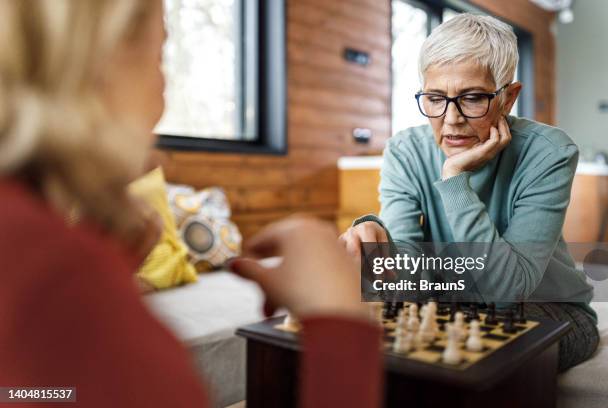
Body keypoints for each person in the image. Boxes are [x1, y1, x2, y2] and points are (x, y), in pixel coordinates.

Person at [0, 1, 382, 407]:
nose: (162, 99)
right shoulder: (62, 280)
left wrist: (115, 274)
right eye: (159, 58)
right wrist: (340, 323)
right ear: (101, 59)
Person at [339, 13, 599, 372]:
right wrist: (381, 254)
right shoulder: (405, 151)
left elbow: (505, 293)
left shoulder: (550, 152)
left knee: (475, 363)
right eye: (434, 98)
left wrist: (454, 178)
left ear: (508, 98)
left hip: (549, 309)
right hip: (448, 303)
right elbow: (412, 287)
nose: (451, 120)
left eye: (473, 98)